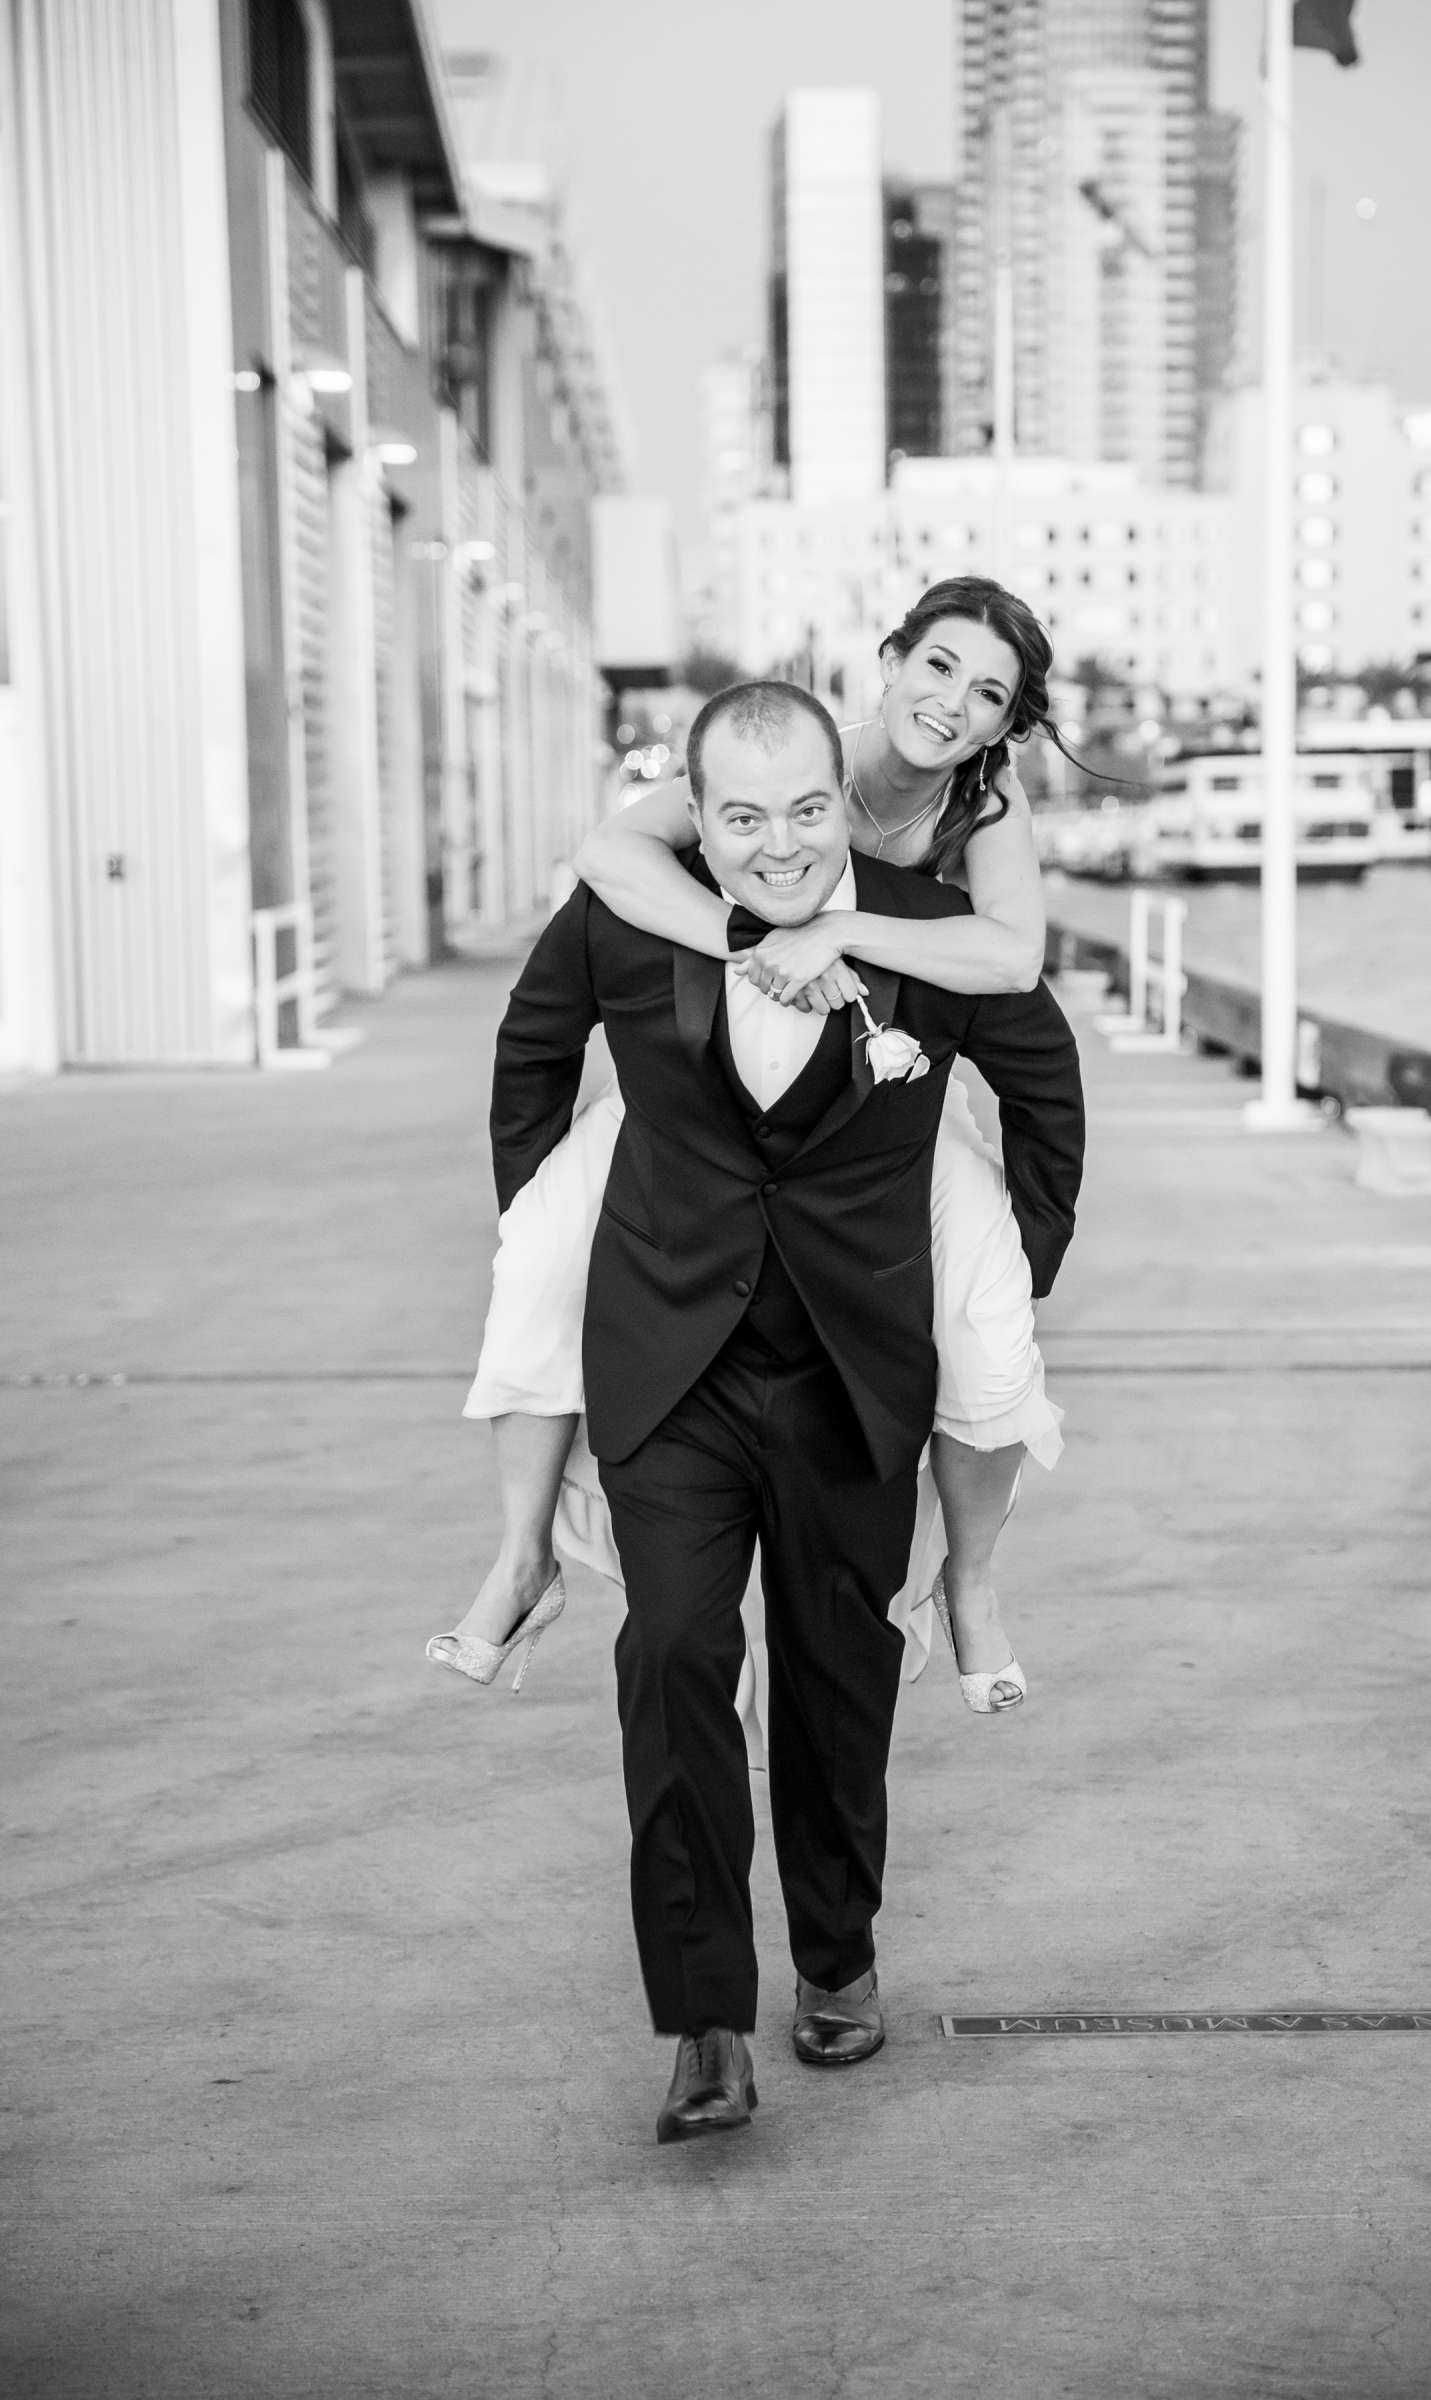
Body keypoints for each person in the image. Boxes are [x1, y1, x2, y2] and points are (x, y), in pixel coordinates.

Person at [479, 680, 1084, 2139]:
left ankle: (836, 1961)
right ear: (701, 812)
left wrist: (1026, 1261)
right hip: (669, 1365)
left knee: (833, 1676)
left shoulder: (917, 928)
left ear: (840, 795)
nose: (778, 847)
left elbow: (1042, 1072)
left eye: (807, 809)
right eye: (742, 818)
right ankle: (699, 2019)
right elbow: (531, 1055)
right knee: (674, 1654)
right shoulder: (633, 915)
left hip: (846, 1369)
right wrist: (557, 1230)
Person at [430, 577, 1076, 1711]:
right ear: (891, 656)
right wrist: (750, 936)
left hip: (884, 1104)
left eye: (989, 695)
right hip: (701, 1093)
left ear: (1004, 723)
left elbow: (1012, 966)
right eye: (938, 668)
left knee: (987, 1328)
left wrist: (838, 927)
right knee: (535, 1260)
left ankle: (967, 1585)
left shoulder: (987, 807)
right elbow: (609, 860)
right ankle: (521, 1557)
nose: (953, 706)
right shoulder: (782, 751)